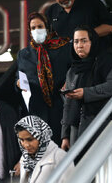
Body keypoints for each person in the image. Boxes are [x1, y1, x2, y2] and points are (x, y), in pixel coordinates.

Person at [61, 25, 112, 151]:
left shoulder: (106, 61)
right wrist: (65, 135)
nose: (79, 45)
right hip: (76, 129)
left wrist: (86, 93)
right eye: (76, 41)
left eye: (84, 41)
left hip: (102, 125)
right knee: (79, 165)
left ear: (93, 41)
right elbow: (68, 104)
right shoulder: (73, 70)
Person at [16, 12, 71, 146]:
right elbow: (19, 76)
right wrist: (18, 83)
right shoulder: (24, 54)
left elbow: (72, 71)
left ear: (47, 27)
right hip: (37, 111)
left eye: (40, 26)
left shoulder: (63, 47)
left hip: (62, 107)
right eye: (33, 28)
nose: (37, 30)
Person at [46, 0, 112, 53]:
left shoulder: (91, 1)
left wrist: (86, 35)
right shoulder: (51, 11)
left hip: (97, 59)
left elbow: (110, 27)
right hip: (68, 63)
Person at [15, 115, 74, 183]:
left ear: (42, 136)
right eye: (22, 140)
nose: (26, 145)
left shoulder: (59, 156)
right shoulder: (24, 158)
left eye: (30, 139)